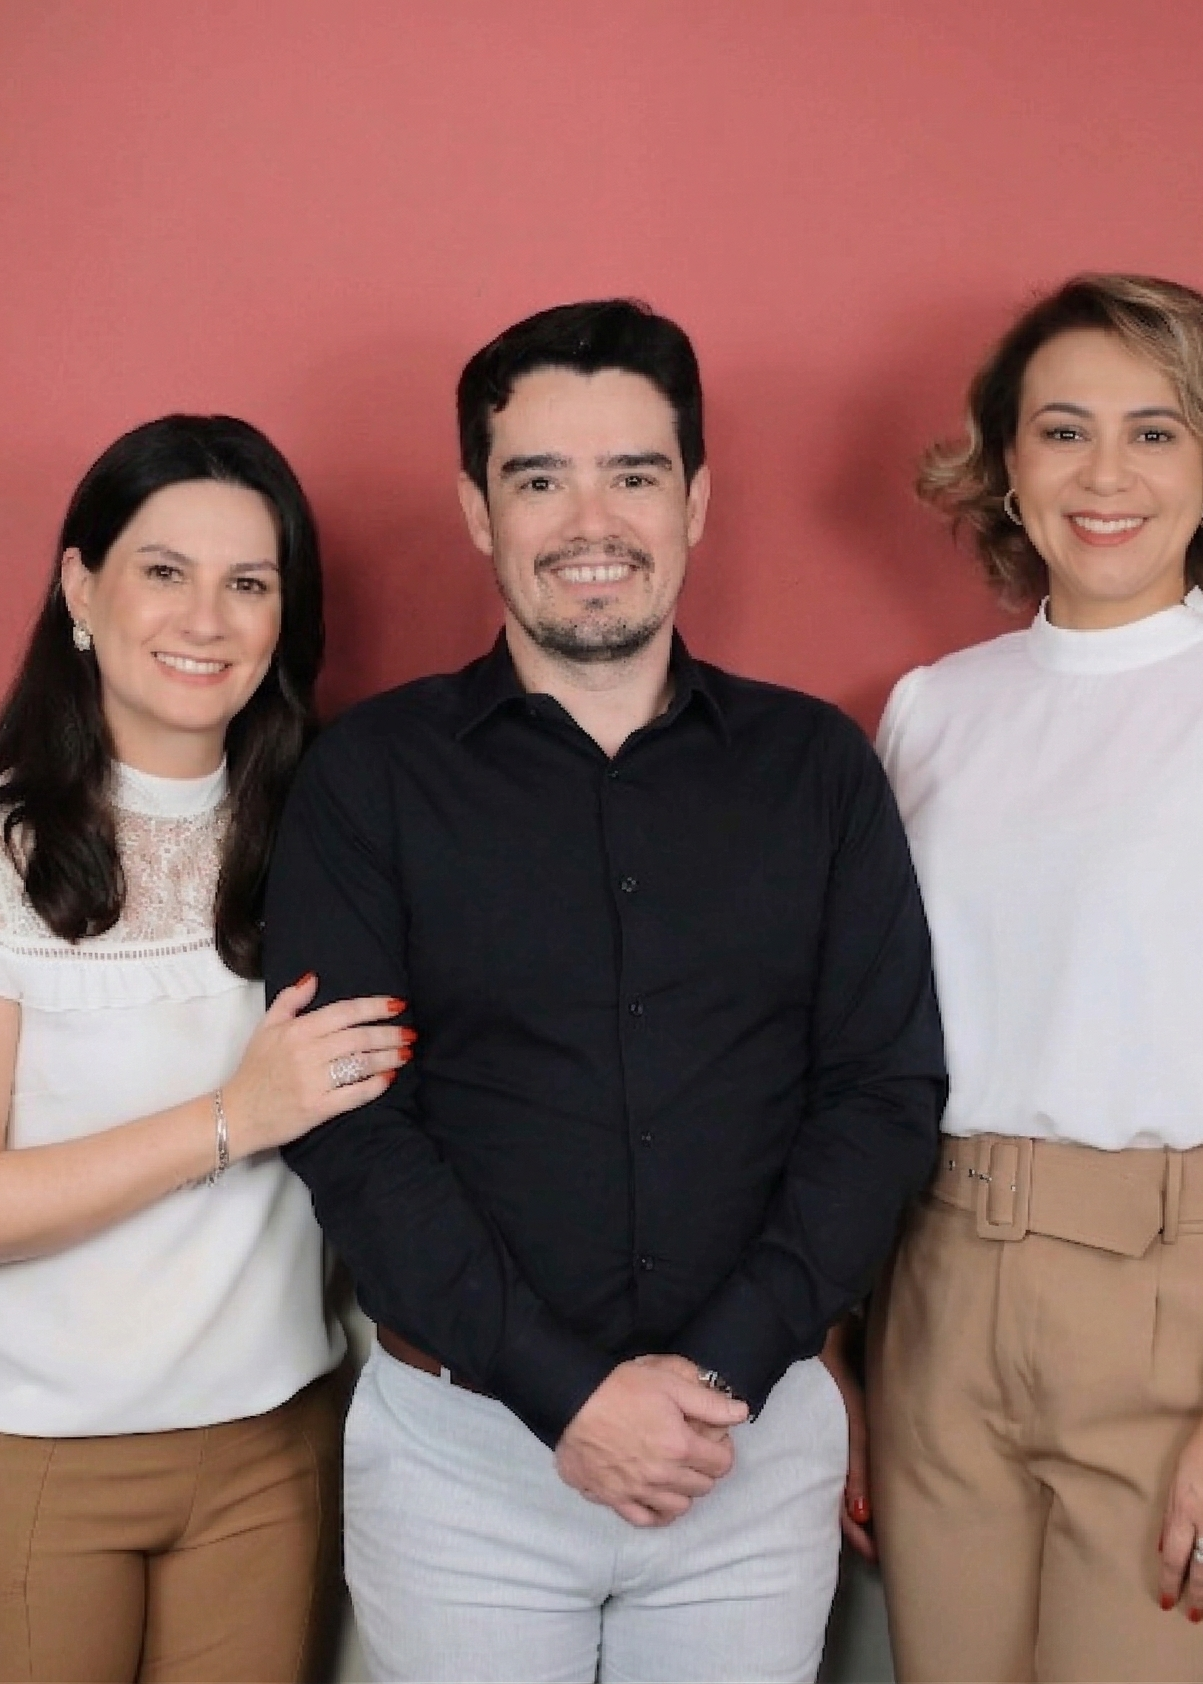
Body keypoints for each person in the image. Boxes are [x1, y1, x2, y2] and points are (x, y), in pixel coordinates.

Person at [263, 299, 945, 1683]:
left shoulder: (817, 769)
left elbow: (881, 1095)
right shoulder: (369, 777)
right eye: (539, 479)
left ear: (695, 500)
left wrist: (722, 1372)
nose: (592, 521)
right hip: (463, 1462)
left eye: (633, 474)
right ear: (477, 509)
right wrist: (567, 1393)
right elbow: (350, 1122)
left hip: (746, 1450)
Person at [864, 273, 1203, 1682]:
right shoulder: (932, 712)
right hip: (936, 1291)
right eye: (1064, 431)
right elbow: (863, 1045)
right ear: (1007, 468)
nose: (1105, 474)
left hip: (1183, 1307)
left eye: (1154, 432)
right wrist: (844, 1355)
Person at [0, 415, 411, 1683]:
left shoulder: (335, 839)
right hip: (21, 1459)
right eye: (164, 570)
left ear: (284, 617)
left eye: (247, 583)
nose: (205, 618)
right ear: (80, 587)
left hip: (271, 1452)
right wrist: (232, 1117)